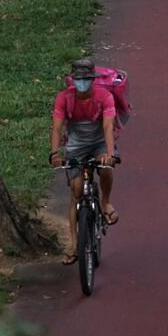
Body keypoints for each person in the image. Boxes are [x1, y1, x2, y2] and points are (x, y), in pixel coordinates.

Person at [49, 59, 119, 265]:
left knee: (105, 169)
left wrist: (110, 153)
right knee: (76, 190)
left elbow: (108, 127)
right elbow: (57, 128)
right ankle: (73, 244)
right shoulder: (64, 98)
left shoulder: (104, 97)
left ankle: (105, 203)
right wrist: (54, 154)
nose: (81, 83)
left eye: (85, 79)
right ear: (73, 80)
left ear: (92, 80)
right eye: (78, 79)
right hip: (76, 147)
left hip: (99, 144)